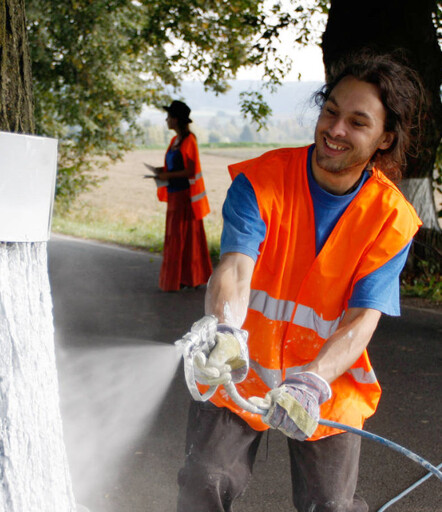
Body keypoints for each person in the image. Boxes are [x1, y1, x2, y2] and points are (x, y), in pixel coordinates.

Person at [176, 52, 427, 512]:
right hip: (241, 367)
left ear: (385, 138)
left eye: (357, 122)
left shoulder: (392, 220)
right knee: (202, 481)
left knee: (330, 506)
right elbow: (233, 267)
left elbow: (361, 319)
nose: (335, 129)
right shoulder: (260, 181)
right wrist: (226, 330)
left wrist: (311, 382)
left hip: (325, 383)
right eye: (331, 111)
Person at [149, 100, 213, 292]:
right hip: (174, 195)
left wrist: (166, 175)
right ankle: (181, 279)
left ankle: (187, 278)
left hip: (185, 198)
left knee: (184, 238)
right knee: (176, 237)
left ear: (176, 120)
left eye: (169, 117)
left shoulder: (188, 141)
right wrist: (161, 171)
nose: (166, 120)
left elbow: (190, 171)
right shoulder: (175, 141)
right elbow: (175, 166)